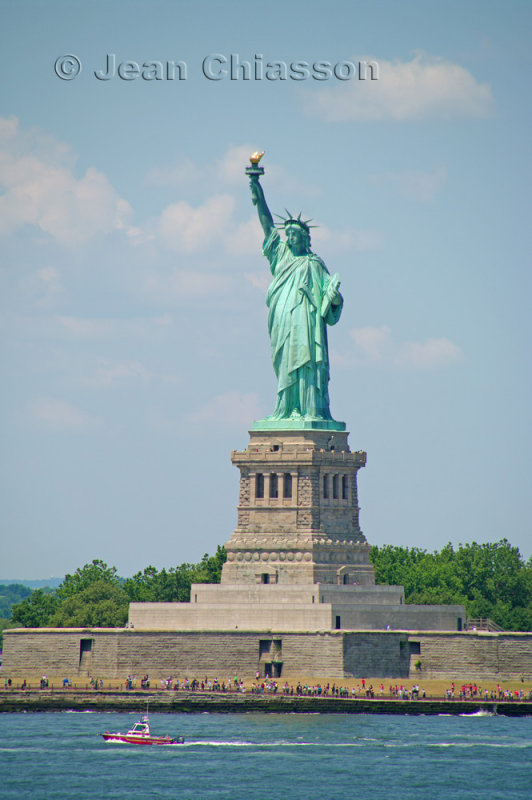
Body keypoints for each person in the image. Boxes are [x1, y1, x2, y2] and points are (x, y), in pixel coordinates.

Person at [250, 175, 343, 421]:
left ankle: (310, 409)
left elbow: (330, 300)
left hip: (307, 323)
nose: (289, 238)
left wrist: (334, 298)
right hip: (283, 319)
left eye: (294, 235)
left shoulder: (314, 263)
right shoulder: (280, 255)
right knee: (285, 362)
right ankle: (285, 408)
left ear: (304, 239)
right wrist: (257, 190)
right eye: (288, 234)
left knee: (308, 363)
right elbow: (267, 225)